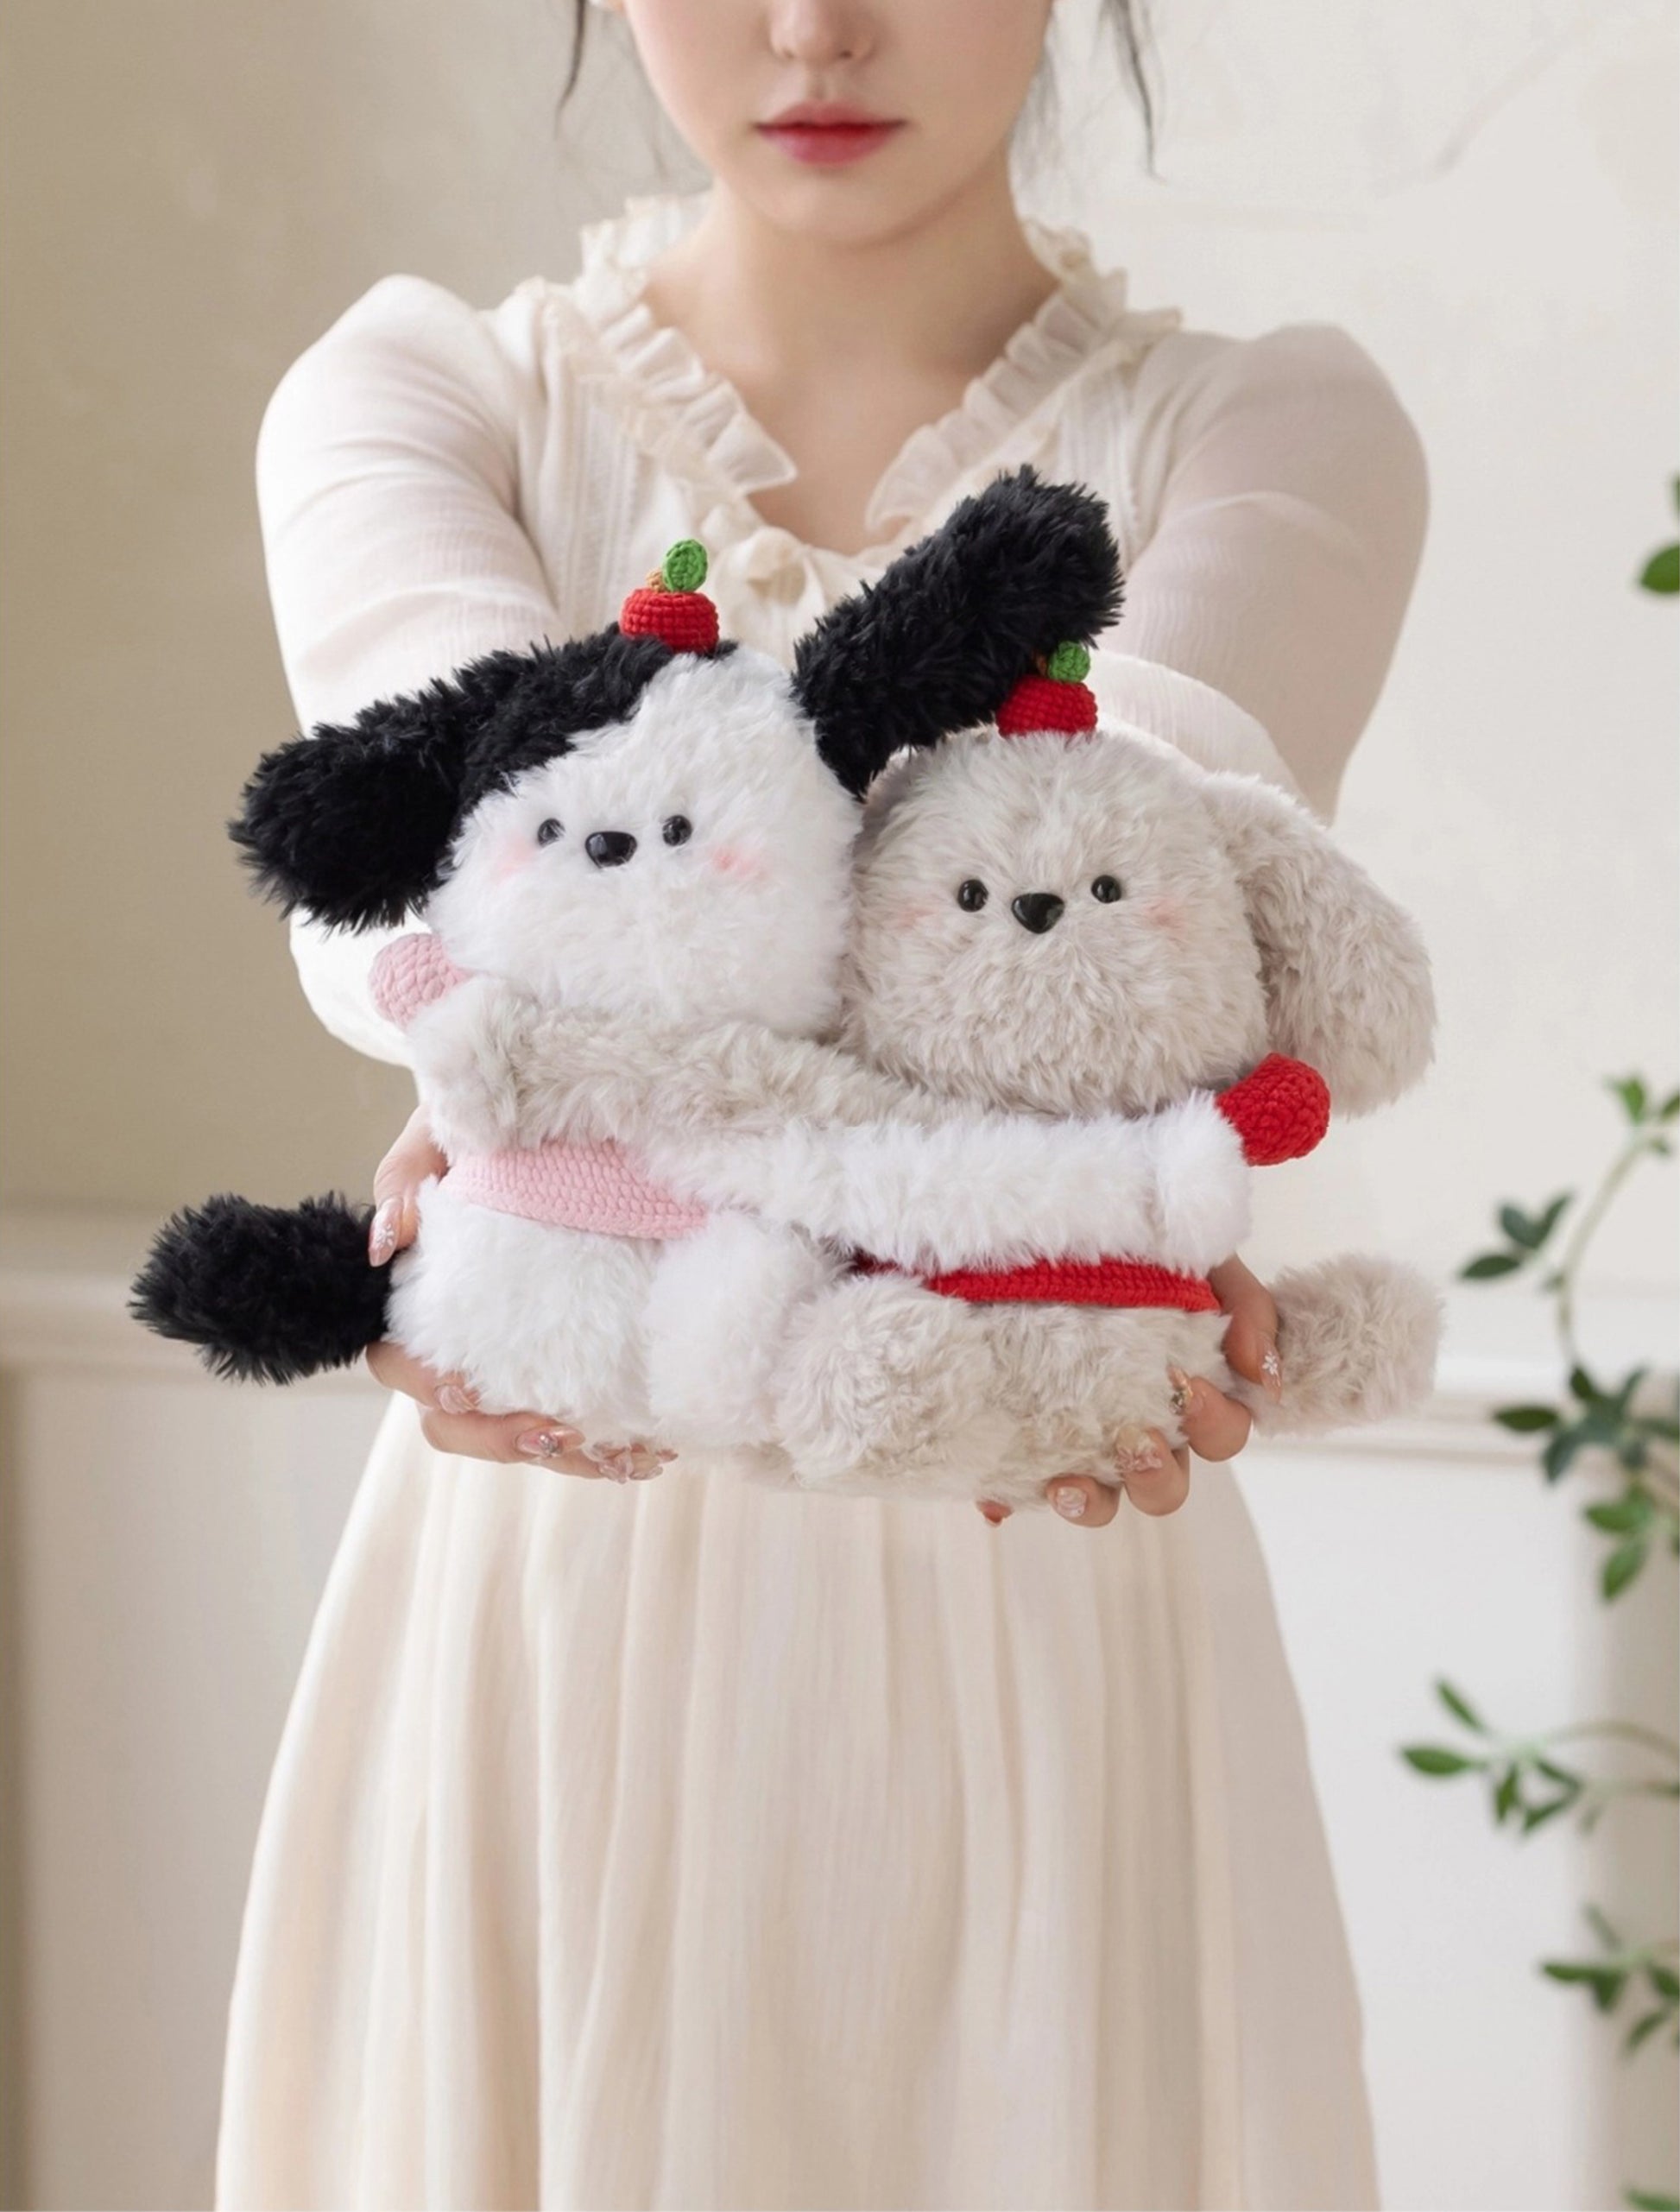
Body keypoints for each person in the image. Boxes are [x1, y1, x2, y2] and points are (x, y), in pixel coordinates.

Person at [216, 2, 1428, 2203]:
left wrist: (565, 1082)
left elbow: (1133, 869)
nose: (812, 28)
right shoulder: (421, 397)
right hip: (561, 1588)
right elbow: (413, 877)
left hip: (1038, 1577)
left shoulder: (1272, 432)